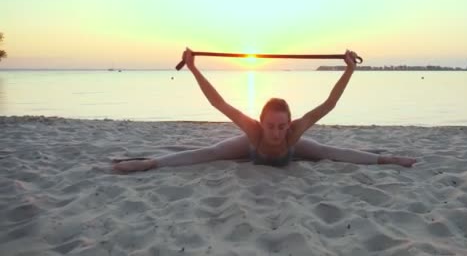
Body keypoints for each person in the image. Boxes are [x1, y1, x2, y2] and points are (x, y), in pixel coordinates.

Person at [112, 48, 416, 172]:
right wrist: (193, 67)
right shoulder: (255, 132)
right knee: (212, 151)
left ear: (288, 125)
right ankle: (150, 163)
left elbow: (329, 104)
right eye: (271, 126)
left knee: (328, 150)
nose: (276, 132)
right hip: (249, 148)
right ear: (261, 123)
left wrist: (349, 70)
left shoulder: (293, 133)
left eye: (281, 126)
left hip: (292, 153)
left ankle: (386, 158)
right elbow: (218, 102)